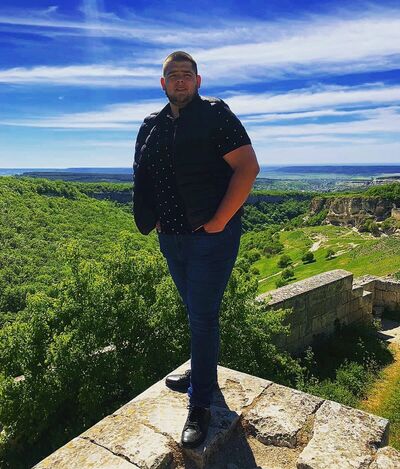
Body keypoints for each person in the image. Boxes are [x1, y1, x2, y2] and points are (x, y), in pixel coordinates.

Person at [133, 51, 259, 448]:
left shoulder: (215, 115)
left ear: (198, 81)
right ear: (163, 83)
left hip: (211, 237)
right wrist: (152, 216)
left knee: (203, 316)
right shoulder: (151, 125)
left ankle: (200, 403)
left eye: (187, 74)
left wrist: (220, 220)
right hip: (171, 237)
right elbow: (145, 174)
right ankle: (202, 371)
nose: (180, 80)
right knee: (195, 311)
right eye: (173, 75)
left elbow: (248, 168)